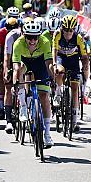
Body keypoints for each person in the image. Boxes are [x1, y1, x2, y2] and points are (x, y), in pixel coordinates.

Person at [12, 20, 55, 148]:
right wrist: (16, 82)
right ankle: (23, 107)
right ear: (24, 36)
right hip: (25, 63)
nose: (32, 40)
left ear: (39, 36)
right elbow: (16, 66)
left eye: (35, 37)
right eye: (29, 37)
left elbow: (49, 63)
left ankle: (47, 134)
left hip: (40, 64)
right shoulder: (18, 43)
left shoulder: (45, 42)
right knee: (20, 71)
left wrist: (52, 78)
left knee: (44, 97)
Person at [52, 15, 89, 132]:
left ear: (74, 29)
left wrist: (85, 66)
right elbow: (55, 50)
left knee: (74, 88)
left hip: (73, 60)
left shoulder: (78, 38)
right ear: (62, 28)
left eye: (71, 30)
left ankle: (74, 120)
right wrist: (54, 63)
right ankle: (58, 93)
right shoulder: (57, 34)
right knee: (60, 71)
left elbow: (84, 56)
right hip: (61, 58)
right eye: (66, 30)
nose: (68, 33)